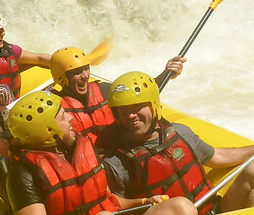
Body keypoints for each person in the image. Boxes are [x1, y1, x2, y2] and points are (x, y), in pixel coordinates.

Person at [7, 91, 196, 215]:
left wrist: (143, 201)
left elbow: (106, 200)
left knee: (181, 207)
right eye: (63, 117)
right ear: (47, 131)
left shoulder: (80, 149)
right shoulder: (23, 171)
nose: (71, 118)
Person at [98, 71, 254, 215]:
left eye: (137, 107)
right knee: (183, 209)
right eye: (124, 111)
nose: (131, 116)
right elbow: (116, 206)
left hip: (210, 212)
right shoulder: (116, 161)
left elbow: (217, 156)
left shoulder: (180, 133)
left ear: (154, 106)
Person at [49, 47, 186, 146]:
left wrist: (166, 73)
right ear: (62, 78)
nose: (85, 76)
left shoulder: (103, 90)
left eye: (86, 69)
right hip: (94, 164)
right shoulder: (56, 109)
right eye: (78, 72)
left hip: (121, 151)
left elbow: (140, 93)